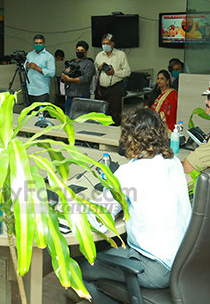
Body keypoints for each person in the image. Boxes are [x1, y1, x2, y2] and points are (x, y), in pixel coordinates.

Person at [79, 108, 191, 303]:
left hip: (155, 268)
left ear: (129, 138)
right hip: (185, 260)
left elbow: (99, 220)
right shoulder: (173, 162)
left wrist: (78, 208)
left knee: (78, 266)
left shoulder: (128, 173)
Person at [95, 33, 131, 126]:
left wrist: (114, 73)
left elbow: (127, 72)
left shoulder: (120, 55)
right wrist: (99, 68)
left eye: (107, 43)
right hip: (100, 89)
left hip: (115, 88)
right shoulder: (99, 55)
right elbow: (94, 71)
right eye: (103, 43)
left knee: (115, 114)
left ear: (113, 44)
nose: (105, 46)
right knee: (100, 114)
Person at [62, 40, 95, 114]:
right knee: (68, 118)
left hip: (82, 97)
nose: (79, 52)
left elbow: (85, 79)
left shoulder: (89, 64)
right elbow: (63, 76)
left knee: (81, 121)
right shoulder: (72, 63)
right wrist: (64, 75)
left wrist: (70, 79)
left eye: (82, 50)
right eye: (77, 50)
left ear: (86, 51)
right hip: (70, 96)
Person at [24, 34, 55, 104]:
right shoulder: (29, 55)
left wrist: (37, 68)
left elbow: (52, 73)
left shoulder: (49, 57)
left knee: (41, 113)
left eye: (40, 43)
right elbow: (24, 68)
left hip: (42, 92)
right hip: (30, 90)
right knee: (30, 114)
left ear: (44, 43)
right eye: (36, 43)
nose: (38, 45)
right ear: (33, 44)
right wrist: (27, 66)